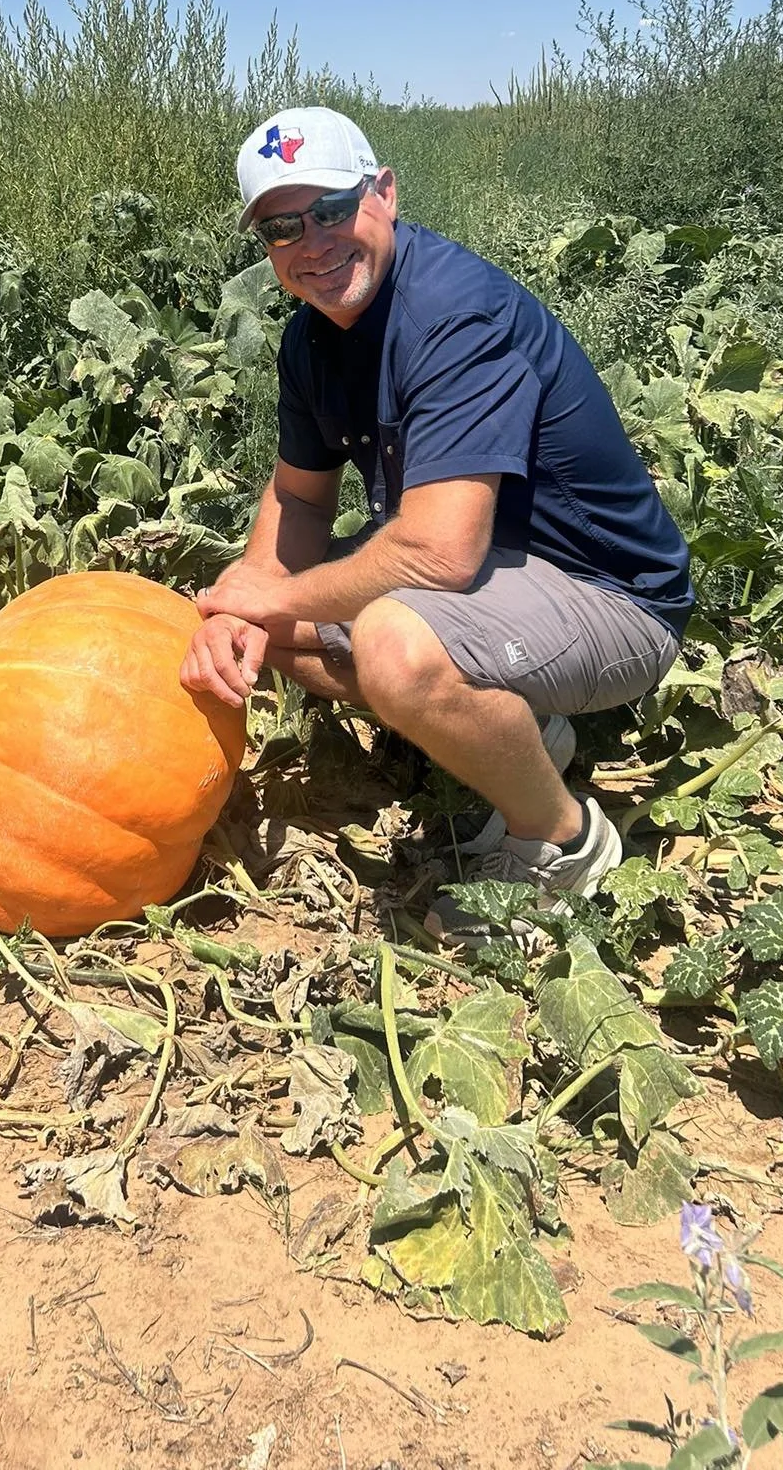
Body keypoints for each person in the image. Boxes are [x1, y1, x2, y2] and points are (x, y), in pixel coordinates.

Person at [179, 107, 693, 942]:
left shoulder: (452, 316)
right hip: (503, 585)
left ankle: (562, 841)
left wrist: (271, 600)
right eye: (282, 226)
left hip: (615, 603)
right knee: (258, 633)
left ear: (383, 193)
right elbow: (300, 500)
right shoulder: (312, 342)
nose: (312, 241)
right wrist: (244, 608)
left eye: (332, 209)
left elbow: (440, 553)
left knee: (391, 644)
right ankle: (521, 734)